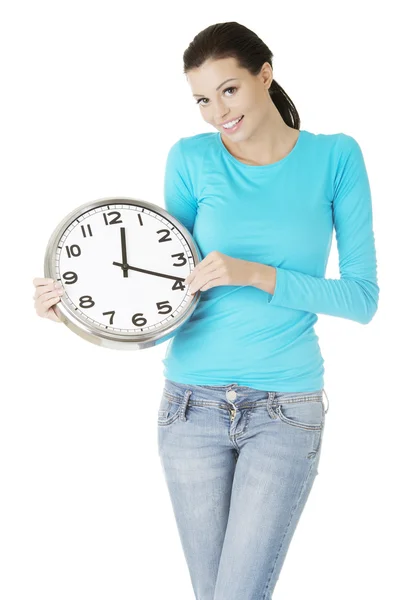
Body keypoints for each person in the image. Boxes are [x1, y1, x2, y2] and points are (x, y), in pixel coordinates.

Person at [33, 21, 380, 600]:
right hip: (188, 407)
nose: (216, 111)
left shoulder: (335, 157)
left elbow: (363, 298)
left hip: (285, 410)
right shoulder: (191, 159)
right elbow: (169, 288)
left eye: (229, 90)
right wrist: (73, 309)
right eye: (201, 99)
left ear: (264, 75)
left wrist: (255, 273)